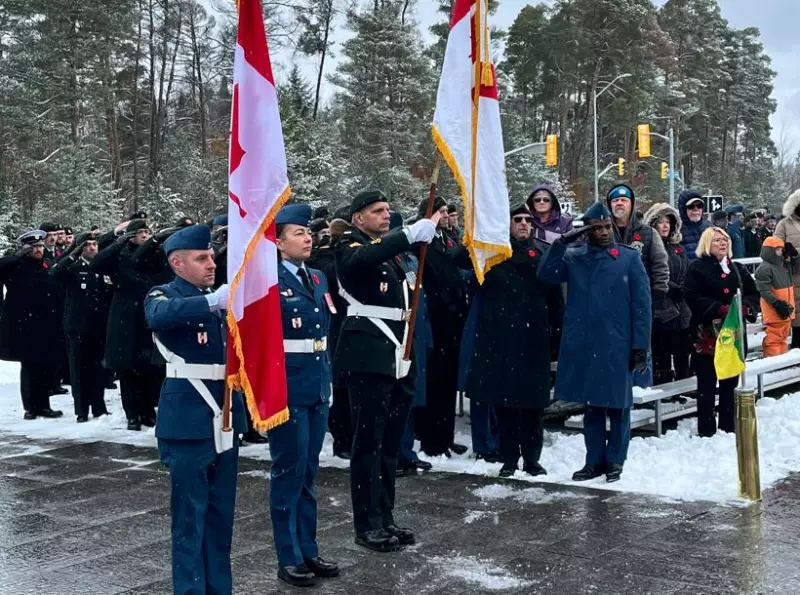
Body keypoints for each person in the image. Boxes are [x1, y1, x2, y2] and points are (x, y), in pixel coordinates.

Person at [334, 189, 438, 552]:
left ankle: (385, 516)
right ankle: (367, 524)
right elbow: (361, 259)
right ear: (358, 217)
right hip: (369, 352)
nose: (385, 214)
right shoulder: (349, 244)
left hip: (398, 352)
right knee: (368, 443)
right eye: (377, 210)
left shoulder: (392, 254)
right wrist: (407, 234)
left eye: (388, 209)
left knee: (390, 442)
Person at [144, 225, 244, 595]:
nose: (211, 263)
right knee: (189, 519)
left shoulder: (220, 297)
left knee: (220, 518)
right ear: (177, 263)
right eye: (201, 258)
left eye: (212, 256)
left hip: (225, 416)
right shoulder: (163, 294)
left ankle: (219, 589)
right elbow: (159, 316)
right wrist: (211, 303)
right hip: (187, 420)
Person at [538, 202, 651, 483]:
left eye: (606, 227)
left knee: (618, 406)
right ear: (586, 231)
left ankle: (615, 461)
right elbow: (546, 274)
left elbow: (642, 307)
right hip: (586, 345)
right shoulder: (575, 257)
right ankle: (593, 461)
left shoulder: (628, 259)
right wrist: (561, 243)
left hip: (617, 345)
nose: (603, 232)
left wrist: (640, 346)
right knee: (592, 406)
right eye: (596, 228)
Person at [267, 204, 339, 587]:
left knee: (309, 472)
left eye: (309, 232)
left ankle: (308, 547)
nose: (308, 237)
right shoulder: (268, 280)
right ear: (279, 242)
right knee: (288, 472)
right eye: (298, 232)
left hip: (316, 384)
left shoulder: (318, 277)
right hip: (287, 387)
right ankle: (288, 555)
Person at [462, 203, 562, 478]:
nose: (524, 224)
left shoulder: (543, 254)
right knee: (504, 405)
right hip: (501, 341)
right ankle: (508, 459)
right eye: (518, 219)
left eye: (528, 219)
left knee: (533, 406)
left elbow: (555, 301)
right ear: (507, 223)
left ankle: (531, 460)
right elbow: (460, 259)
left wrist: (556, 338)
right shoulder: (493, 255)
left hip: (533, 341)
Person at [684, 227, 759, 437]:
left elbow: (753, 293)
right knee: (707, 383)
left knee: (730, 381)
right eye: (717, 240)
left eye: (725, 239)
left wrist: (746, 307)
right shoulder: (697, 268)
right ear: (707, 244)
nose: (722, 243)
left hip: (733, 334)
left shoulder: (737, 268)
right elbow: (690, 295)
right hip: (707, 333)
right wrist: (716, 308)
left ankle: (728, 425)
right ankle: (706, 429)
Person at [91, 218, 163, 431]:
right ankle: (132, 414)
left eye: (147, 232)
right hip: (124, 315)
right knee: (127, 368)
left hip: (145, 313)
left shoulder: (153, 253)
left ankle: (148, 411)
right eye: (140, 232)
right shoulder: (118, 255)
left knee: (148, 366)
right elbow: (97, 264)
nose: (145, 235)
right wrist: (120, 241)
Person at [413, 196, 468, 458]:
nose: (446, 216)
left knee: (447, 382)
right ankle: (431, 439)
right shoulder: (421, 243)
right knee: (434, 382)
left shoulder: (445, 239)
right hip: (434, 318)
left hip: (451, 319)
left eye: (447, 212)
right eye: (440, 212)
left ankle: (445, 436)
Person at [606, 185, 668, 387]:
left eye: (624, 200)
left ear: (631, 204)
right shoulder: (602, 231)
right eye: (615, 200)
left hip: (640, 302)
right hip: (609, 302)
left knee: (641, 350)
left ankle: (642, 392)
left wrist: (659, 292)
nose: (619, 203)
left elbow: (660, 264)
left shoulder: (648, 233)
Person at [0, 230, 65, 420]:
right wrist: (16, 256)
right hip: (25, 325)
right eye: (34, 247)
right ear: (25, 249)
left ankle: (44, 405)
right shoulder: (16, 266)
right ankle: (30, 406)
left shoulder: (45, 266)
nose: (39, 250)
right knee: (30, 366)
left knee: (46, 365)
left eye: (40, 246)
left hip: (46, 324)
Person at [50, 231, 113, 422]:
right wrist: (73, 253)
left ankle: (99, 407)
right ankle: (82, 409)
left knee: (98, 368)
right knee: (79, 369)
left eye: (94, 244)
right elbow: (54, 273)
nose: (92, 248)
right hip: (78, 326)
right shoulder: (73, 267)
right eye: (87, 245)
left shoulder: (102, 267)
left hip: (98, 325)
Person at [308, 218, 351, 458]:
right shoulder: (327, 260)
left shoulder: (330, 258)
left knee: (343, 385)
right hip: (335, 325)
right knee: (340, 385)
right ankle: (342, 439)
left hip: (341, 323)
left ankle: (345, 437)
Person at [643, 203, 692, 385]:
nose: (665, 226)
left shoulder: (677, 247)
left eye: (668, 222)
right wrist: (670, 288)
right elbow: (649, 272)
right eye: (661, 222)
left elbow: (687, 269)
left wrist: (685, 287)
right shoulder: (648, 247)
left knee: (682, 350)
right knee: (661, 352)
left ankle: (683, 384)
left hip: (680, 306)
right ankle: (662, 387)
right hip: (661, 305)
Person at [755, 236, 796, 357]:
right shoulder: (764, 268)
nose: (780, 252)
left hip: (786, 310)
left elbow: (797, 267)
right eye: (777, 250)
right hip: (774, 311)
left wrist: (795, 255)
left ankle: (781, 361)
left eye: (781, 250)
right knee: (773, 339)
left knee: (783, 338)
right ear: (770, 251)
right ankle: (773, 361)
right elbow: (764, 290)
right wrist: (776, 303)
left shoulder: (784, 266)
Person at [775, 189, 800, 349]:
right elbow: (774, 249)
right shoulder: (784, 225)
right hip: (794, 278)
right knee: (797, 322)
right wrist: (789, 254)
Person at [678, 190, 711, 260]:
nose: (696, 209)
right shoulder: (677, 231)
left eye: (699, 206)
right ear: (683, 209)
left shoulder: (710, 228)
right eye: (691, 206)